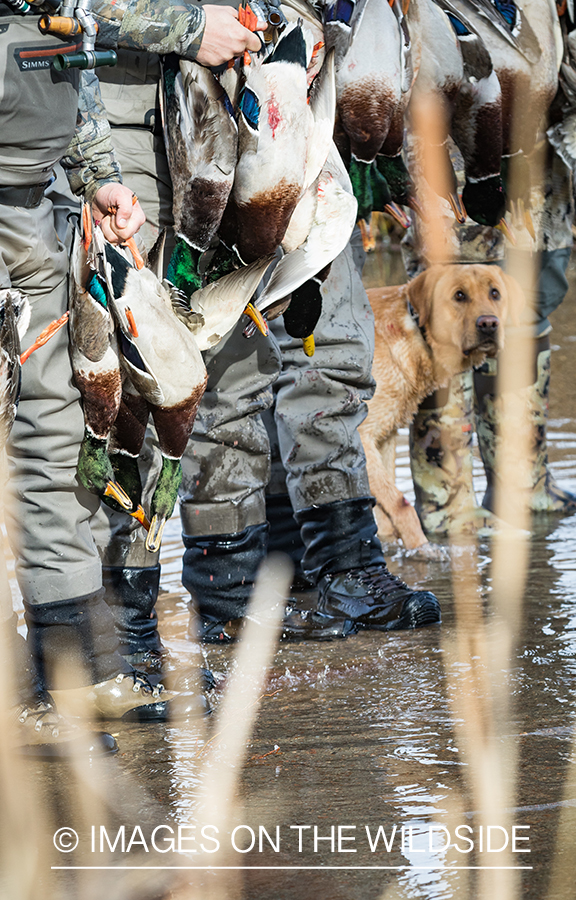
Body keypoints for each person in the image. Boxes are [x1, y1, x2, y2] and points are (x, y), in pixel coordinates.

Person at [73, 0, 442, 661]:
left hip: (282, 120)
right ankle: (221, 594)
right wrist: (187, 25)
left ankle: (333, 564)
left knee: (328, 358)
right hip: (157, 131)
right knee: (198, 377)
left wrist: (362, 145)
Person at [0, 0, 190, 731]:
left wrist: (99, 176)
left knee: (58, 442)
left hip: (42, 210)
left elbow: (75, 64)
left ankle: (72, 678)